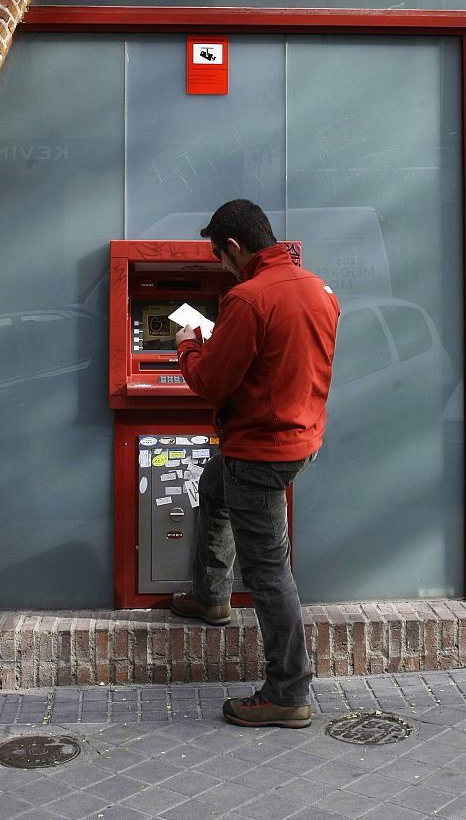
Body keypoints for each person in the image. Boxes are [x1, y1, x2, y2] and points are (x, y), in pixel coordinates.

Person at [171, 199, 340, 728]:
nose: (221, 264)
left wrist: (187, 346)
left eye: (220, 255)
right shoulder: (318, 289)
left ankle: (288, 691)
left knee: (269, 573)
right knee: (212, 483)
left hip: (259, 451)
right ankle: (210, 596)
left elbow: (211, 383)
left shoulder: (247, 298)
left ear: (236, 247)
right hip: (300, 439)